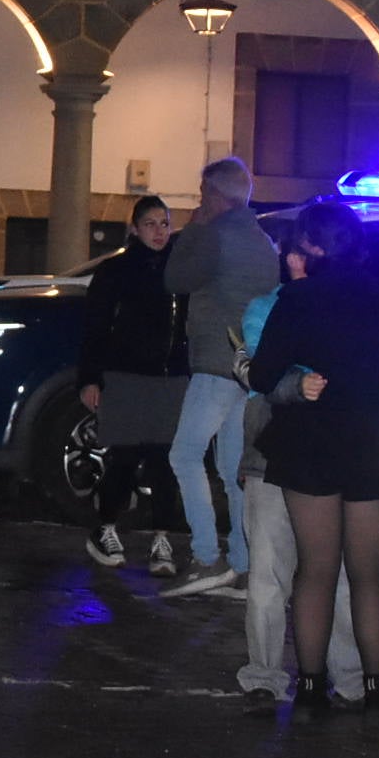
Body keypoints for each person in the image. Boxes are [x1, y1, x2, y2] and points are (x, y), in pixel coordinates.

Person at [246, 201, 379, 726]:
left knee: (315, 571)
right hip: (372, 436)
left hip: (312, 438)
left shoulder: (297, 298)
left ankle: (312, 688)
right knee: (370, 574)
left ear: (313, 246)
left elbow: (263, 374)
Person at [233, 198, 374, 711]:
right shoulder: (267, 307)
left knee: (330, 571)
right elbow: (260, 375)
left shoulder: (354, 305)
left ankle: (349, 676)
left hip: (329, 457)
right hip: (273, 456)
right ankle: (264, 675)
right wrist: (296, 383)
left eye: (305, 249)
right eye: (292, 250)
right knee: (269, 571)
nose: (294, 259)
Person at [163, 157, 279, 598]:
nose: (199, 201)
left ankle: (205, 556)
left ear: (217, 196)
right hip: (247, 368)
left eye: (202, 194)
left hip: (214, 362)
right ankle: (243, 565)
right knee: (232, 470)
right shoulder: (264, 242)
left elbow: (175, 279)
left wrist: (192, 229)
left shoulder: (212, 237)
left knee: (185, 456)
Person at [77, 194, 187, 573]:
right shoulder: (116, 271)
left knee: (164, 461)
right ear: (135, 229)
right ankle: (105, 528)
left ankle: (162, 539)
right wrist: (90, 378)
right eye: (151, 224)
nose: (159, 232)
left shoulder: (178, 270)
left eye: (165, 223)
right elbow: (95, 327)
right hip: (124, 377)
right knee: (122, 458)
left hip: (169, 379)